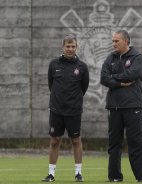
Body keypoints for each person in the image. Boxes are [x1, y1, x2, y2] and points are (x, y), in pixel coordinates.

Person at [42, 34, 89, 182]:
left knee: (76, 141)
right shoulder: (54, 64)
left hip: (74, 111)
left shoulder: (82, 67)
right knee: (55, 141)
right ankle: (51, 174)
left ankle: (78, 173)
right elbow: (51, 85)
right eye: (67, 46)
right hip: (56, 110)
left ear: (76, 47)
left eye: (73, 46)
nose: (70, 49)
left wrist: (73, 101)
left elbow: (84, 87)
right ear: (63, 47)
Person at [100, 30, 142, 182]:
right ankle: (114, 177)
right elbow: (103, 78)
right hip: (114, 107)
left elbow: (134, 73)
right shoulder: (110, 58)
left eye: (116, 41)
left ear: (126, 41)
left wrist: (113, 78)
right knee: (114, 144)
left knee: (135, 143)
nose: (113, 44)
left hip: (133, 106)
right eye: (112, 41)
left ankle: (140, 178)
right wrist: (119, 82)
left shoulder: (136, 57)